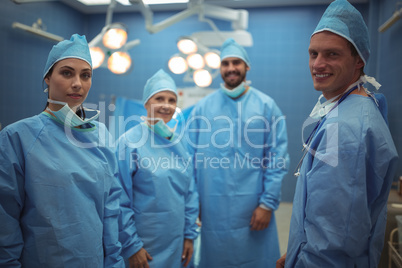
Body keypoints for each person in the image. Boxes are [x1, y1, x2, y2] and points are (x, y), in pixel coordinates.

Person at [277, 1, 398, 267]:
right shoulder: (353, 108)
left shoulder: (346, 132)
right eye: (313, 54)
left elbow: (334, 244)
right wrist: (297, 251)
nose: (318, 64)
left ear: (358, 61)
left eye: (332, 54)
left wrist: (305, 261)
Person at [0, 34, 124, 267]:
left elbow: (110, 210)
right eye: (67, 73)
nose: (77, 83)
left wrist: (114, 261)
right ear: (47, 78)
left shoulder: (101, 135)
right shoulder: (18, 137)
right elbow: (4, 219)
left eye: (85, 75)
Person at [186, 38, 289, 267]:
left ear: (247, 67)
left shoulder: (266, 106)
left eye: (237, 62)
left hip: (254, 209)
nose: (231, 68)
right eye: (226, 63)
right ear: (219, 69)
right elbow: (190, 159)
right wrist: (194, 204)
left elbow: (277, 157)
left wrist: (267, 204)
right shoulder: (203, 108)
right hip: (212, 209)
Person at [116, 69, 199, 268]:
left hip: (175, 241)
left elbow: (189, 194)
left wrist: (189, 236)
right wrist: (132, 246)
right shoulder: (129, 143)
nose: (166, 105)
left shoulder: (179, 144)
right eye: (159, 98)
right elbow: (118, 199)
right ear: (146, 103)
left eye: (171, 100)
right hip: (143, 245)